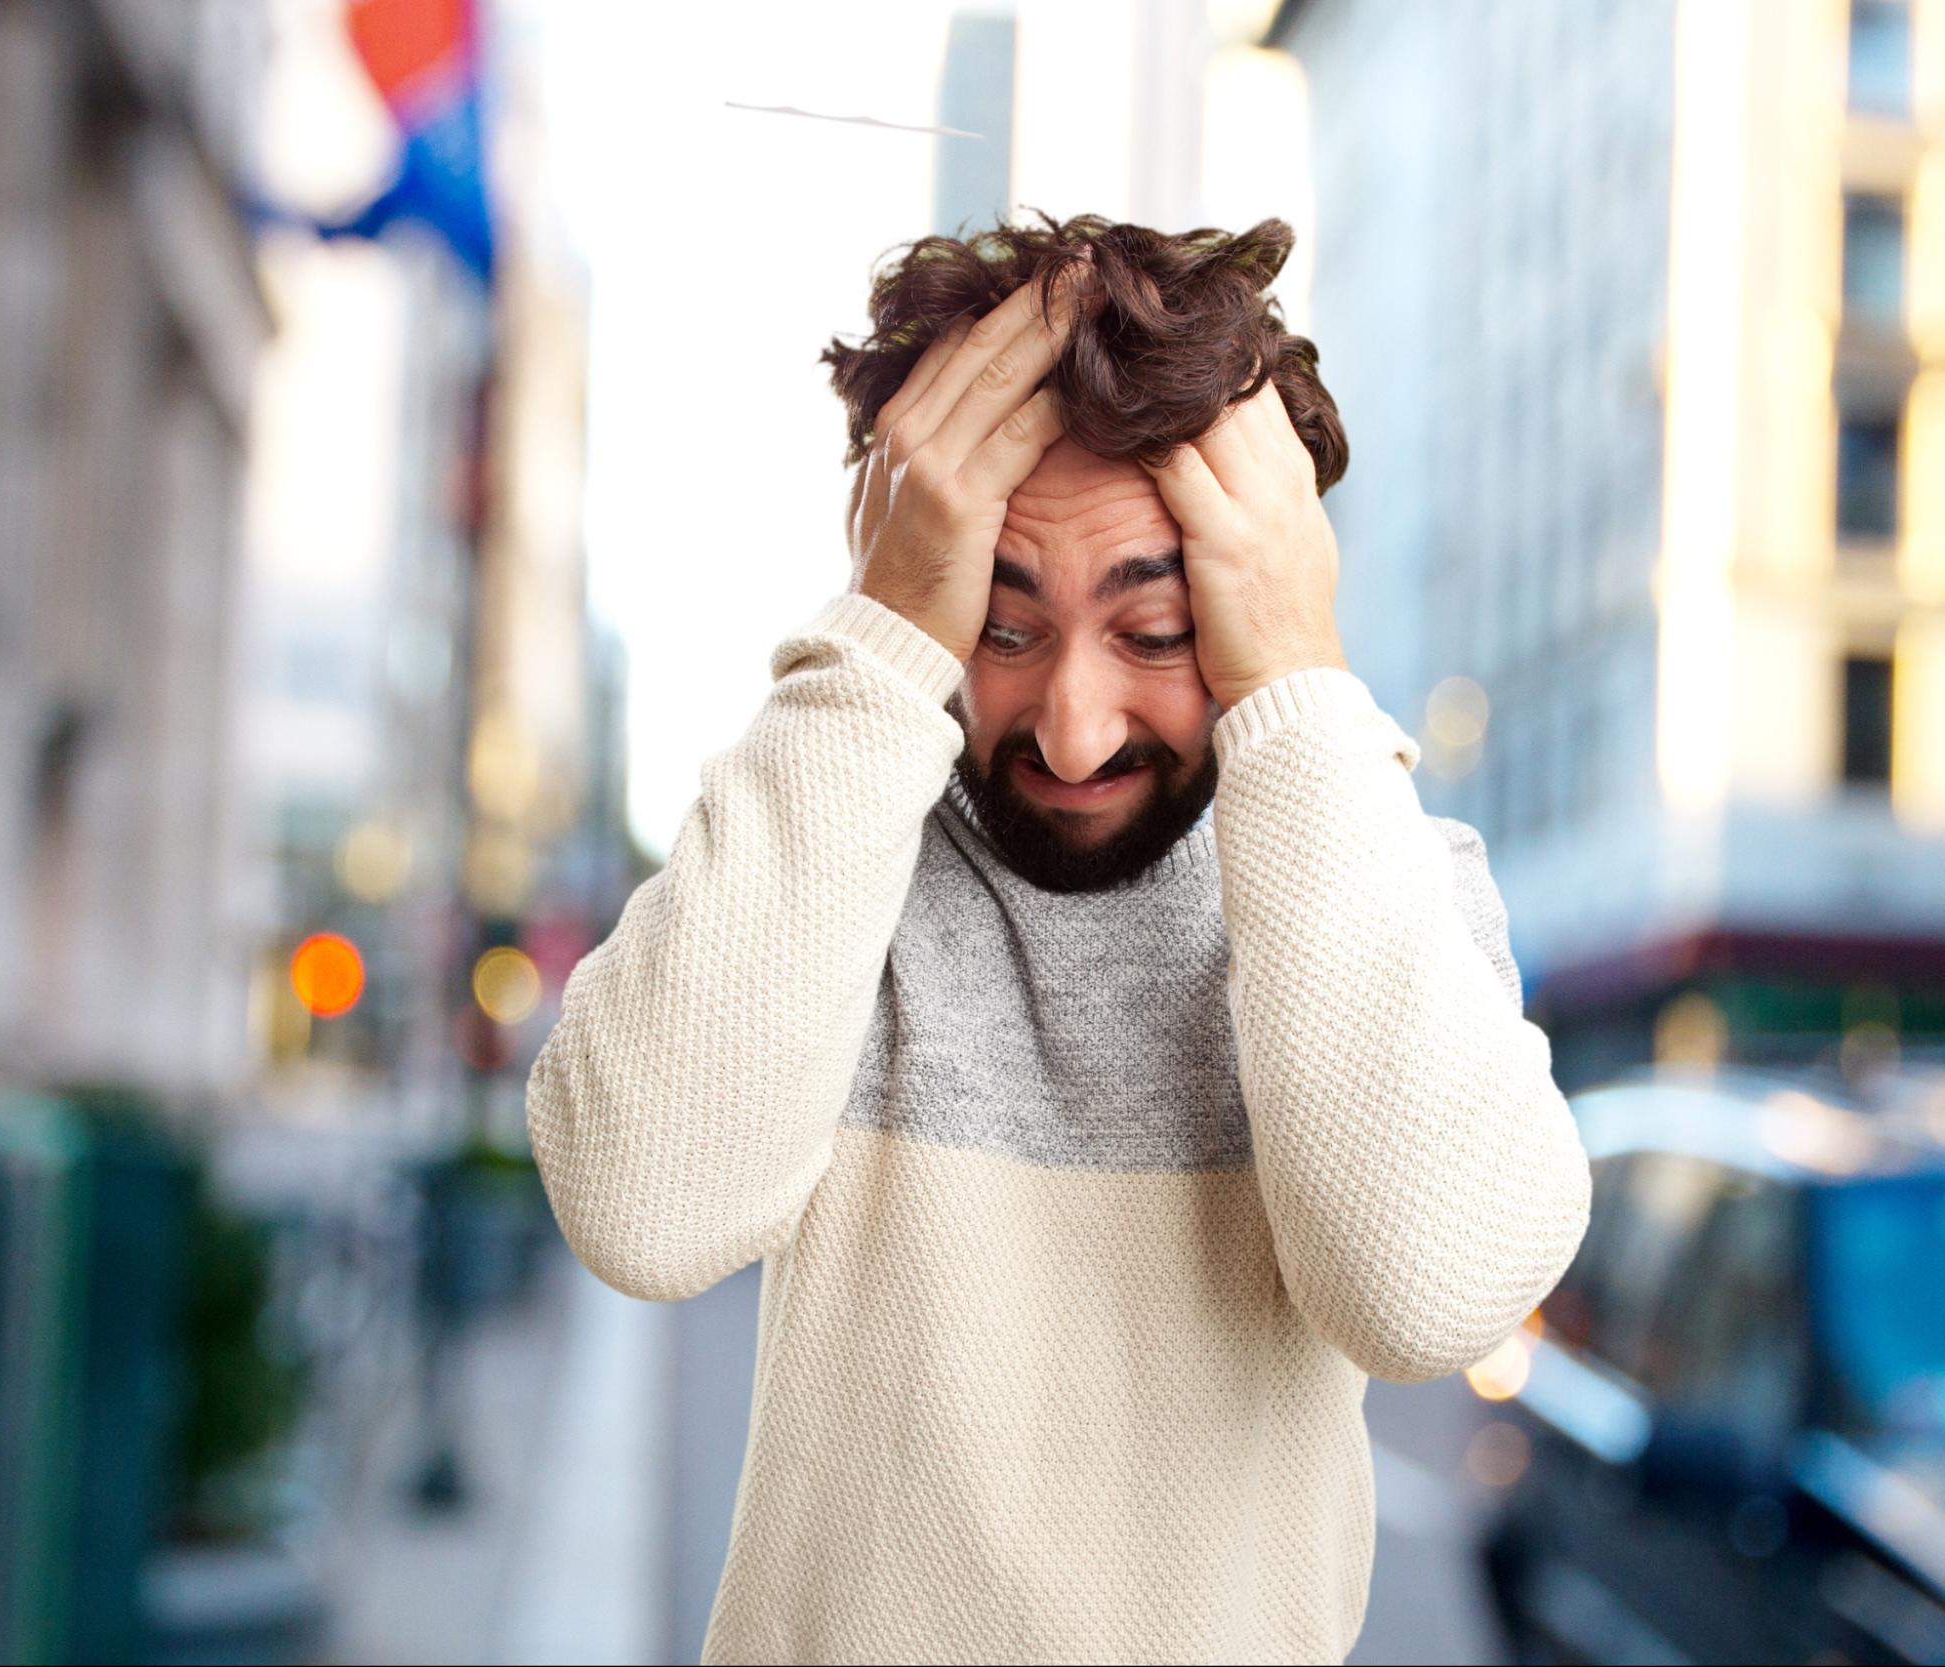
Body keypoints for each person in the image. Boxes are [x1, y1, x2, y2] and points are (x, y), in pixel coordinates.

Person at [526, 212, 1593, 1666]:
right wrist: (885, 632)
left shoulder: (1381, 880)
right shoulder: (837, 843)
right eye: (1001, 626)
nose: (1075, 730)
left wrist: (1297, 673)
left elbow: (1430, 1297)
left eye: (1154, 634)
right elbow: (644, 1213)